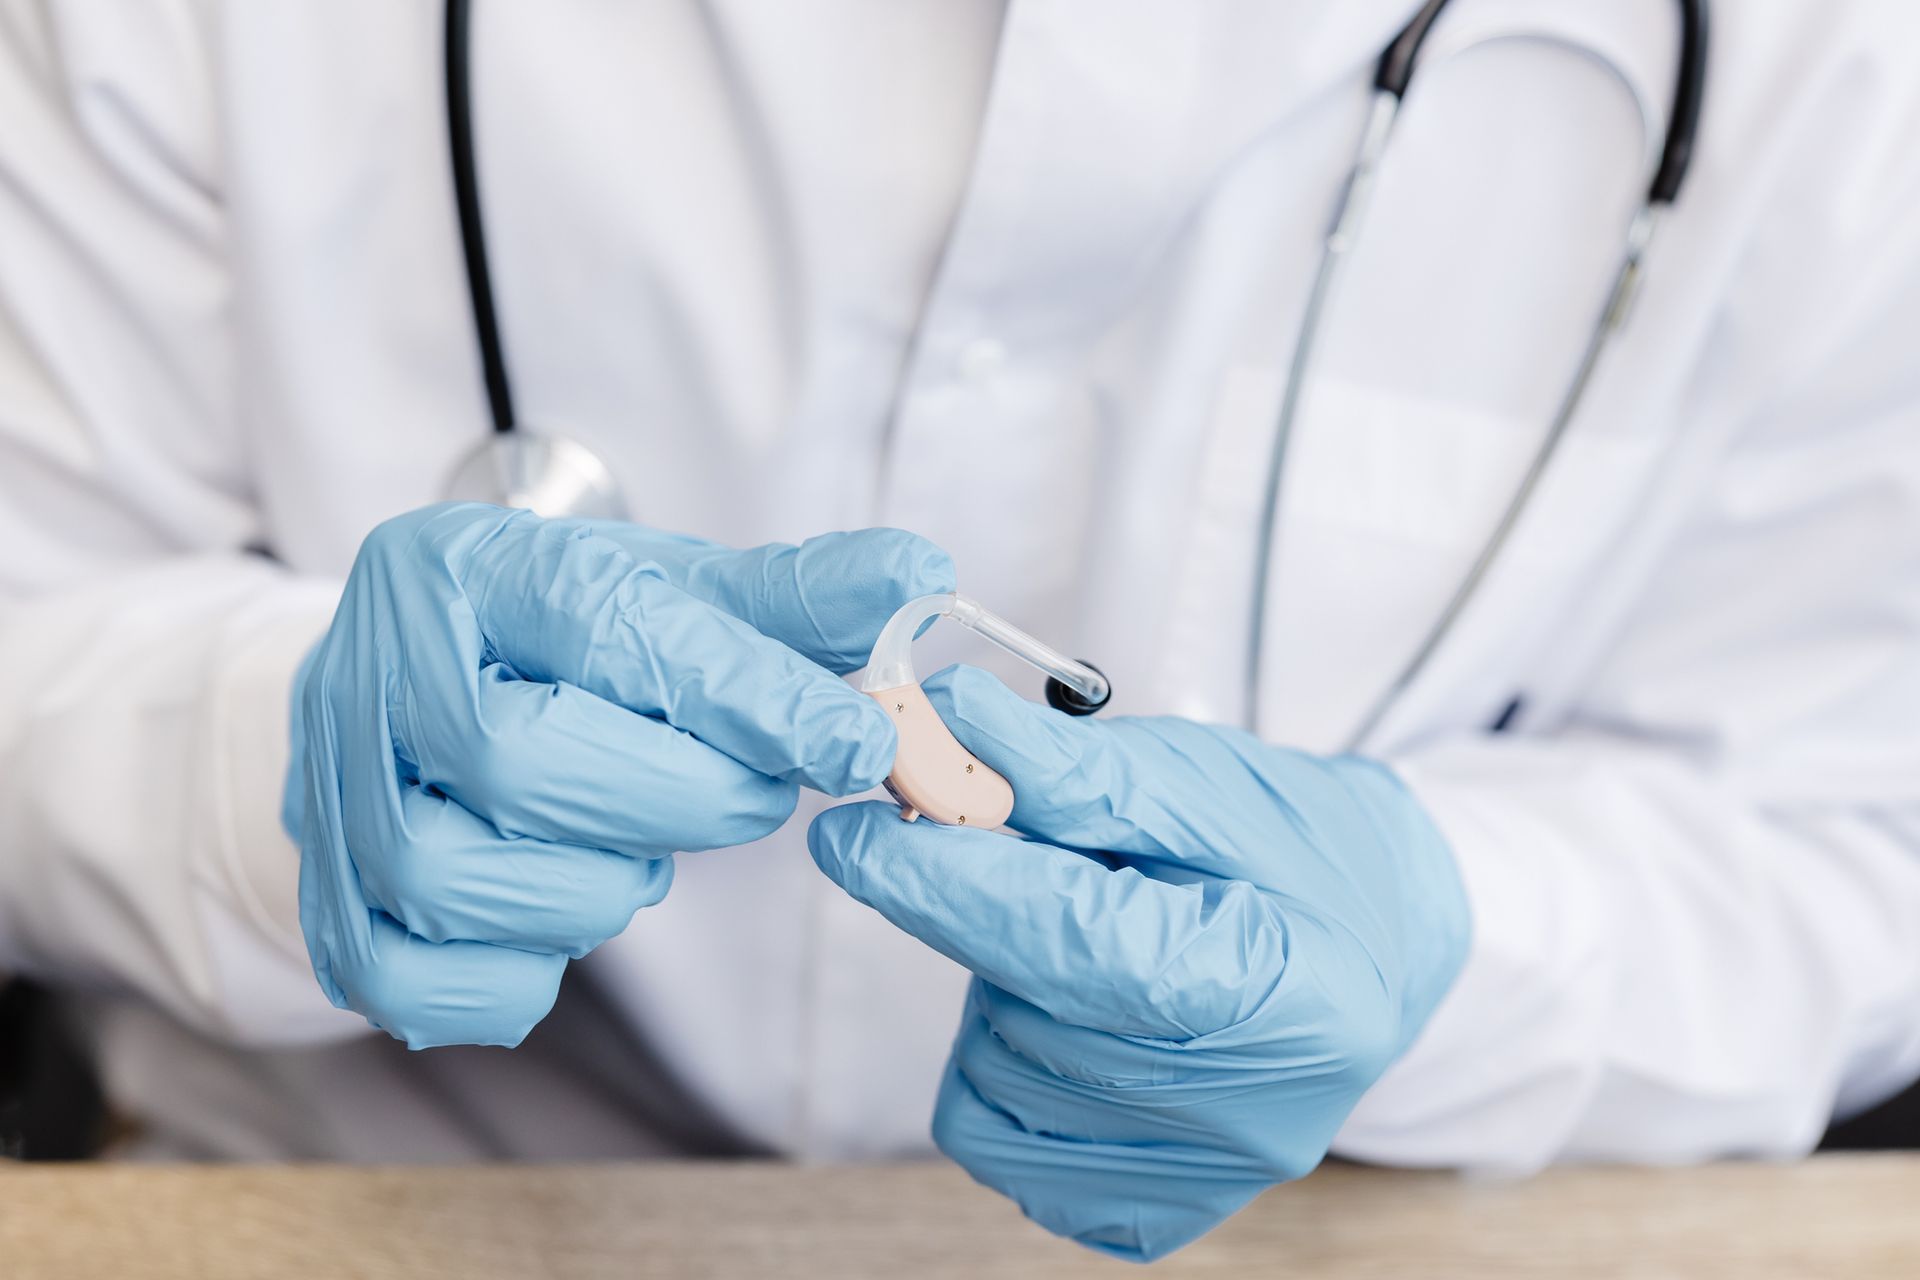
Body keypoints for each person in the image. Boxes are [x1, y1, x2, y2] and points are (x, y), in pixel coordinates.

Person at [1, 0, 1916, 1261]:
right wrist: (273, 747)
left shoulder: (1839, 76)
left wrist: (1463, 936)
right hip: (367, 1210)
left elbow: (1852, 828)